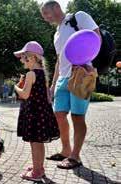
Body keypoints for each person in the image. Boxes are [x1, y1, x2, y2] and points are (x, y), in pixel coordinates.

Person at [41, 0, 101, 169]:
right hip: (63, 78)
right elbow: (60, 60)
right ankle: (66, 150)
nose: (45, 18)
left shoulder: (78, 17)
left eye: (46, 13)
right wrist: (53, 84)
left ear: (56, 7)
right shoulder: (57, 34)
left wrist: (88, 62)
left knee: (77, 116)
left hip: (81, 75)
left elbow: (96, 37)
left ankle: (75, 156)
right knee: (59, 115)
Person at [14, 41, 60, 181]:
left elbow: (25, 94)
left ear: (32, 57)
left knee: (35, 143)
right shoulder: (42, 74)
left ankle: (36, 173)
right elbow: (46, 96)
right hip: (41, 113)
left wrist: (16, 87)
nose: (21, 60)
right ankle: (38, 167)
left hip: (33, 114)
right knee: (39, 142)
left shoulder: (30, 74)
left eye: (23, 57)